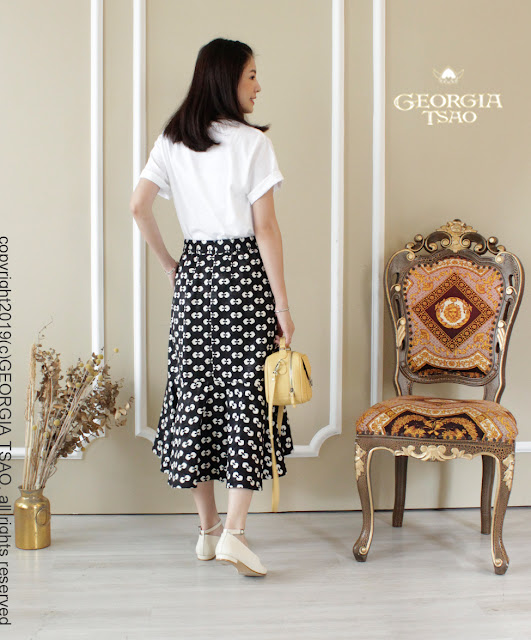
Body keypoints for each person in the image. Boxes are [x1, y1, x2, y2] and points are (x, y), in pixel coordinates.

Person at [129, 38, 295, 577]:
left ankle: (206, 531)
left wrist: (169, 264)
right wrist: (283, 307)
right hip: (243, 277)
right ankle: (235, 534)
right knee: (247, 397)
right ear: (227, 80)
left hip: (196, 277)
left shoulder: (172, 139)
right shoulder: (253, 144)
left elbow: (138, 206)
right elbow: (265, 230)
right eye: (251, 75)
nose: (258, 85)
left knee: (195, 396)